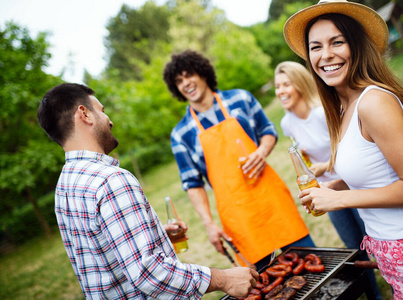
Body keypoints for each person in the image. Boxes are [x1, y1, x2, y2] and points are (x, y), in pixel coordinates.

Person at [283, 0, 403, 299]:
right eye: (316, 46)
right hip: (392, 249)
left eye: (337, 42)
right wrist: (337, 184)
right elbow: (378, 169)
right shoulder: (345, 105)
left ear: (357, 45)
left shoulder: (373, 102)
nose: (326, 55)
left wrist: (341, 198)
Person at [36, 83, 258, 299]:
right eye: (102, 111)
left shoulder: (65, 187)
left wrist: (155, 234)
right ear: (85, 114)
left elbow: (101, 251)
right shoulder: (111, 181)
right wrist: (224, 279)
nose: (110, 120)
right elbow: (149, 273)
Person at [163, 50, 315, 271]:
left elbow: (267, 130)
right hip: (239, 217)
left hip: (273, 202)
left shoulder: (240, 99)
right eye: (179, 81)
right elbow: (192, 184)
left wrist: (261, 152)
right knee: (269, 281)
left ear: (203, 73)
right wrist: (208, 223)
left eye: (189, 75)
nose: (186, 83)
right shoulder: (181, 134)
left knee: (310, 260)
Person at [274, 61, 381, 300]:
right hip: (326, 191)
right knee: (356, 250)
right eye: (277, 86)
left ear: (299, 84)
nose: (279, 91)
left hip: (352, 182)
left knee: (378, 246)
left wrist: (325, 166)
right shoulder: (286, 123)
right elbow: (303, 157)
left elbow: (349, 148)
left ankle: (399, 286)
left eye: (285, 84)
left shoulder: (323, 111)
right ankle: (375, 296)